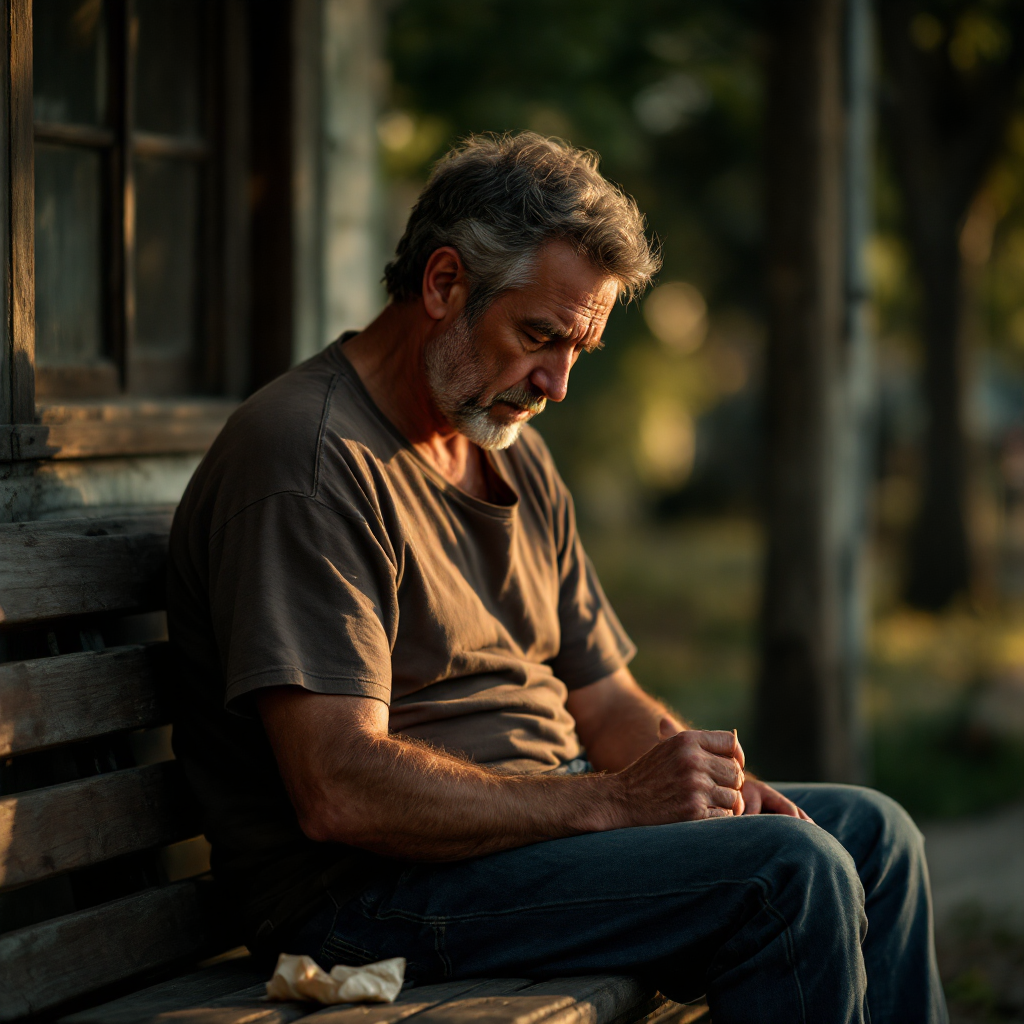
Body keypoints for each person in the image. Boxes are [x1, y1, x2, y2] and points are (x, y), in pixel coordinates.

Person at [167, 133, 947, 1024]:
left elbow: (607, 701)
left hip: (525, 841)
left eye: (580, 350)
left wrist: (726, 796)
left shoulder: (512, 455)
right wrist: (614, 803)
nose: (558, 384)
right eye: (540, 337)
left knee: (874, 838)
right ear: (444, 284)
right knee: (786, 877)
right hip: (363, 897)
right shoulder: (307, 460)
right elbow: (339, 789)